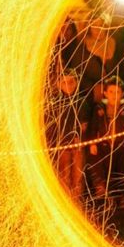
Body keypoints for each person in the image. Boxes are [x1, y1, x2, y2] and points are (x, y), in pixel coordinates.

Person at [85, 76, 124, 207]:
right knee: (103, 169)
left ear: (122, 93)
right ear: (105, 93)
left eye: (117, 92)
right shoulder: (99, 108)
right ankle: (105, 196)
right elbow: (93, 126)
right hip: (104, 145)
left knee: (122, 170)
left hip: (121, 145)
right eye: (111, 92)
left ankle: (122, 195)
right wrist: (93, 142)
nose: (114, 95)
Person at [47, 70, 89, 202]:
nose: (68, 85)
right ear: (58, 84)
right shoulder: (55, 104)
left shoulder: (82, 102)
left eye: (71, 82)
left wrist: (79, 136)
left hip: (78, 145)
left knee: (78, 175)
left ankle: (76, 200)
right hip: (61, 145)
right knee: (64, 174)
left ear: (76, 82)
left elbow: (85, 124)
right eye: (64, 82)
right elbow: (52, 127)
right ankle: (65, 201)